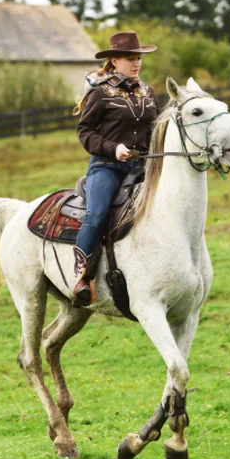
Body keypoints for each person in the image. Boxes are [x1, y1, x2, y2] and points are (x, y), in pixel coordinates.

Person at [72, 30, 159, 304]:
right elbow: (85, 132)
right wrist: (113, 148)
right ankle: (82, 276)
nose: (137, 63)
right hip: (106, 167)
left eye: (139, 58)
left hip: (142, 166)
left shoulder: (148, 92)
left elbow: (157, 128)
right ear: (114, 61)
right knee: (96, 215)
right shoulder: (100, 93)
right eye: (131, 58)